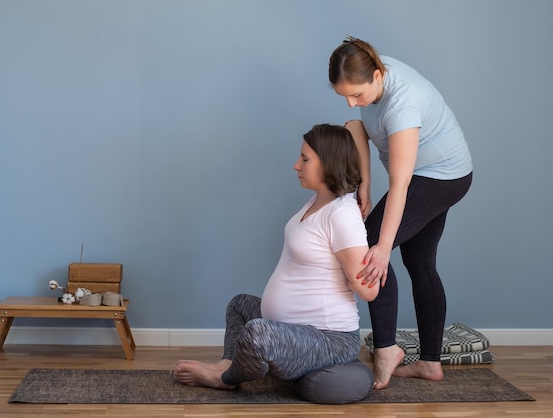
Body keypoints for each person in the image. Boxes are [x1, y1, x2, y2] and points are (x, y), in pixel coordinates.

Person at [174, 124, 378, 391]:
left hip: (329, 339)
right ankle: (229, 362)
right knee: (239, 305)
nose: (296, 165)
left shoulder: (342, 214)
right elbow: (354, 131)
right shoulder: (318, 202)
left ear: (328, 163)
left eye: (305, 159)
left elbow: (368, 291)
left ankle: (224, 379)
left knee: (257, 333)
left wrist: (376, 256)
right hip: (293, 327)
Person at [328, 36, 473, 389]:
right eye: (344, 95)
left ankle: (386, 350)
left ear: (378, 76)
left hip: (441, 177)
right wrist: (363, 184)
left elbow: (402, 184)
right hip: (427, 175)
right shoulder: (366, 66)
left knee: (371, 251)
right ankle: (429, 364)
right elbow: (357, 128)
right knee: (420, 263)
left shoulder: (403, 102)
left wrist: (379, 246)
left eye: (357, 96)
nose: (351, 102)